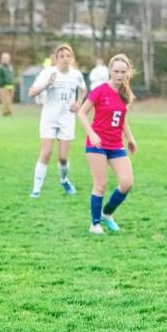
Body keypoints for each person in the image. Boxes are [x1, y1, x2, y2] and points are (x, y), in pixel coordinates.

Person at [77, 54, 137, 234]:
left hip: (116, 144)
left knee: (127, 183)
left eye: (123, 72)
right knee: (100, 184)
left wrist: (130, 138)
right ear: (110, 71)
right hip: (97, 144)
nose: (119, 75)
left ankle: (107, 213)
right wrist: (92, 134)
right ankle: (95, 224)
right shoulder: (100, 90)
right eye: (116, 71)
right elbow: (81, 113)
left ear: (127, 73)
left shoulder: (125, 93)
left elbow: (122, 119)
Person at [28, 44, 87, 198]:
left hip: (67, 119)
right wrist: (47, 84)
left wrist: (79, 102)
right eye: (62, 56)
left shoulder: (76, 75)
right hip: (49, 118)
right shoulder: (48, 72)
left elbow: (83, 89)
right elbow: (31, 92)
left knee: (62, 158)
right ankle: (36, 190)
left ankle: (64, 179)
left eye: (68, 56)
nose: (65, 59)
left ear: (72, 58)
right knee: (46, 153)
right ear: (56, 58)